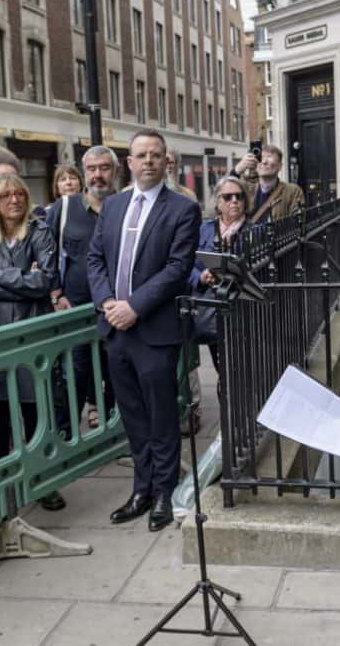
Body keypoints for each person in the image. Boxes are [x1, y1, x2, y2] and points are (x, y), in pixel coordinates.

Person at [87, 130, 201, 532]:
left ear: (166, 162)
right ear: (129, 162)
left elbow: (176, 268)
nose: (148, 161)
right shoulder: (113, 205)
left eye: (156, 155)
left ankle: (165, 492)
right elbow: (95, 258)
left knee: (162, 415)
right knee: (133, 416)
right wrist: (107, 303)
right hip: (116, 330)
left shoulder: (182, 209)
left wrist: (134, 306)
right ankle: (142, 488)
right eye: (141, 155)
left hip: (154, 329)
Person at [0, 173, 64, 511]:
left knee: (36, 412)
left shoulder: (39, 230)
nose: (15, 200)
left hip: (31, 333)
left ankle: (43, 480)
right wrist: (22, 278)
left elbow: (45, 281)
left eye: (20, 194)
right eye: (6, 196)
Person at [46, 147, 118, 430]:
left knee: (115, 373)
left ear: (115, 171)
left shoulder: (124, 205)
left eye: (104, 168)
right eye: (92, 169)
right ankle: (65, 436)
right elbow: (46, 254)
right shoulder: (64, 208)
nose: (98, 175)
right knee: (74, 375)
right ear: (84, 172)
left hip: (115, 311)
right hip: (74, 312)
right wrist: (55, 294)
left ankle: (111, 433)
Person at [188, 176, 248, 376]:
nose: (234, 201)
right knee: (222, 369)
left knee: (241, 369)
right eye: (227, 197)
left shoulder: (255, 231)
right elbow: (186, 265)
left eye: (239, 196)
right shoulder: (203, 230)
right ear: (218, 202)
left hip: (243, 312)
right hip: (212, 311)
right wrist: (201, 276)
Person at [231, 144, 304, 223]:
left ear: (280, 166)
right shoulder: (245, 188)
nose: (264, 162)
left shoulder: (293, 191)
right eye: (261, 158)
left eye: (269, 157)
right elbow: (220, 205)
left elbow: (297, 224)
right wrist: (236, 171)